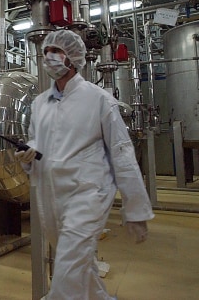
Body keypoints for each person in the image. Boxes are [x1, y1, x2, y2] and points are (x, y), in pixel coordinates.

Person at [16, 29, 154, 300]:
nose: (50, 58)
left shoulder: (98, 99)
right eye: (46, 53)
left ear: (74, 57)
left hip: (88, 193)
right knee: (79, 265)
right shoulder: (40, 104)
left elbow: (122, 154)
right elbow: (39, 146)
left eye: (57, 52)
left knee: (67, 269)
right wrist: (29, 156)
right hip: (51, 196)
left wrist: (135, 209)